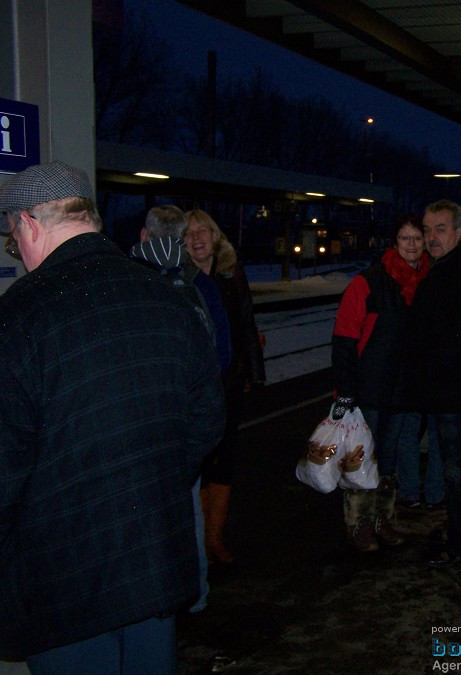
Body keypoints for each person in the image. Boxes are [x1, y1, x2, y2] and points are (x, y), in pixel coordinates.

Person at [0, 162, 225, 671]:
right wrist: (156, 479)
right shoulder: (167, 297)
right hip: (153, 564)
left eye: (14, 237)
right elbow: (208, 418)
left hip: (62, 585)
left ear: (30, 225)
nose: (19, 252)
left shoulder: (19, 317)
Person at [131, 205, 233, 613]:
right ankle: (195, 595)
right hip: (184, 419)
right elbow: (221, 354)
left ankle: (147, 597)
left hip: (138, 419)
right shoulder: (199, 286)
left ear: (144, 237)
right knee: (187, 506)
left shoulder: (126, 281)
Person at [331, 214, 431, 551]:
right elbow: (345, 338)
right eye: (405, 238)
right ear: (394, 243)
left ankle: (382, 520)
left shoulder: (428, 285)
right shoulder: (369, 283)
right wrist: (345, 391)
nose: (412, 245)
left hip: (405, 390)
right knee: (362, 460)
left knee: (387, 462)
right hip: (369, 390)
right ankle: (358, 523)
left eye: (417, 238)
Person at [404, 199, 461, 568]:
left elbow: (450, 341)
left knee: (459, 475)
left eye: (440, 229)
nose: (431, 238)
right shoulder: (455, 270)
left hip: (454, 395)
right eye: (427, 231)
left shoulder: (456, 275)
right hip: (457, 393)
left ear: (459, 231)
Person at [184, 209, 266, 564]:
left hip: (229, 381)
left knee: (225, 459)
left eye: (204, 231)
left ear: (216, 237)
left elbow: (246, 321)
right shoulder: (175, 277)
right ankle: (193, 544)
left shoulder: (231, 273)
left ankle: (213, 538)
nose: (197, 238)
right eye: (189, 233)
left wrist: (255, 372)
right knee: (194, 460)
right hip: (191, 387)